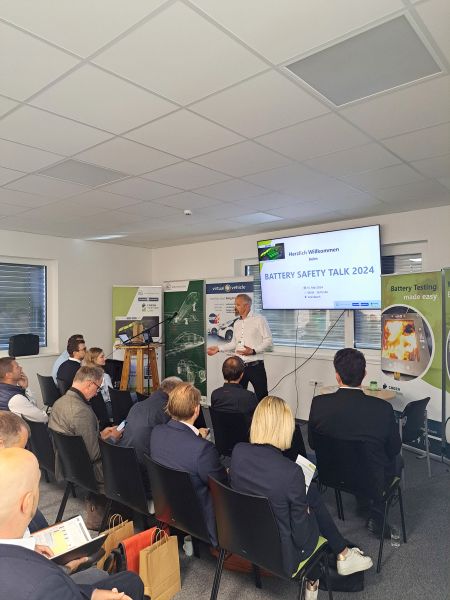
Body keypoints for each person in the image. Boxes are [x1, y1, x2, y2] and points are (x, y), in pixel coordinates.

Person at [231, 396, 373, 597]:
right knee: (312, 510)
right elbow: (301, 536)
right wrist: (306, 512)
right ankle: (332, 563)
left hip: (245, 538)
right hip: (284, 555)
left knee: (310, 493)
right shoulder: (291, 473)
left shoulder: (238, 452)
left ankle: (342, 554)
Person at [0, 447, 144, 600]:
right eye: (36, 486)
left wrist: (92, 593)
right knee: (131, 582)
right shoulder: (43, 583)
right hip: (60, 586)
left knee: (130, 581)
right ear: (27, 503)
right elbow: (50, 589)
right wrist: (66, 568)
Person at [308, 348, 402, 538]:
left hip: (331, 474)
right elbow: (394, 448)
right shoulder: (382, 409)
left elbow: (312, 443)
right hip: (371, 479)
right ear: (364, 374)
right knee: (397, 461)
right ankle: (377, 515)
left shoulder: (318, 403)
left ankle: (362, 502)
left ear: (337, 376)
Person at [150, 382, 228, 546]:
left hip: (168, 509)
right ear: (197, 409)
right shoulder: (203, 450)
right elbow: (222, 485)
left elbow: (180, 452)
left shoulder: (157, 433)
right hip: (200, 520)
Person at [49, 366, 122, 530]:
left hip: (69, 466)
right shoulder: (81, 411)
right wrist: (113, 438)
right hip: (90, 471)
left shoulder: (59, 403)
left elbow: (78, 439)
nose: (97, 393)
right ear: (89, 384)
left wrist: (100, 434)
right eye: (98, 388)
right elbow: (94, 454)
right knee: (131, 463)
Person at [208, 294, 272, 400]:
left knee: (262, 396)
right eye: (235, 304)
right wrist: (218, 348)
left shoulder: (259, 319)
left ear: (247, 306)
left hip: (256, 366)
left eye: (238, 305)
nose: (235, 307)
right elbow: (234, 343)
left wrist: (253, 351)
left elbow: (268, 340)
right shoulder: (237, 323)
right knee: (238, 396)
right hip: (239, 367)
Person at [119, 376, 182, 465]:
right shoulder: (168, 410)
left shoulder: (137, 405)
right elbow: (175, 442)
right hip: (145, 465)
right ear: (176, 393)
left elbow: (122, 426)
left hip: (124, 459)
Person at [211, 355, 258, 424]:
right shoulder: (249, 396)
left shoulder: (215, 394)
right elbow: (256, 421)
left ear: (223, 372)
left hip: (220, 431)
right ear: (241, 375)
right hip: (244, 431)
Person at [0, 357, 48, 423]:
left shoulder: (4, 390)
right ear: (8, 375)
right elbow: (42, 418)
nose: (21, 368)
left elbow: (31, 407)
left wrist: (25, 387)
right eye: (17, 367)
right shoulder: (15, 399)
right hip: (20, 428)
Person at [83, 347, 114, 420]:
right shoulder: (104, 376)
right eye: (102, 357)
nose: (105, 358)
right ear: (93, 359)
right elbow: (112, 396)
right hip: (106, 410)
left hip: (89, 411)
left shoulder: (83, 373)